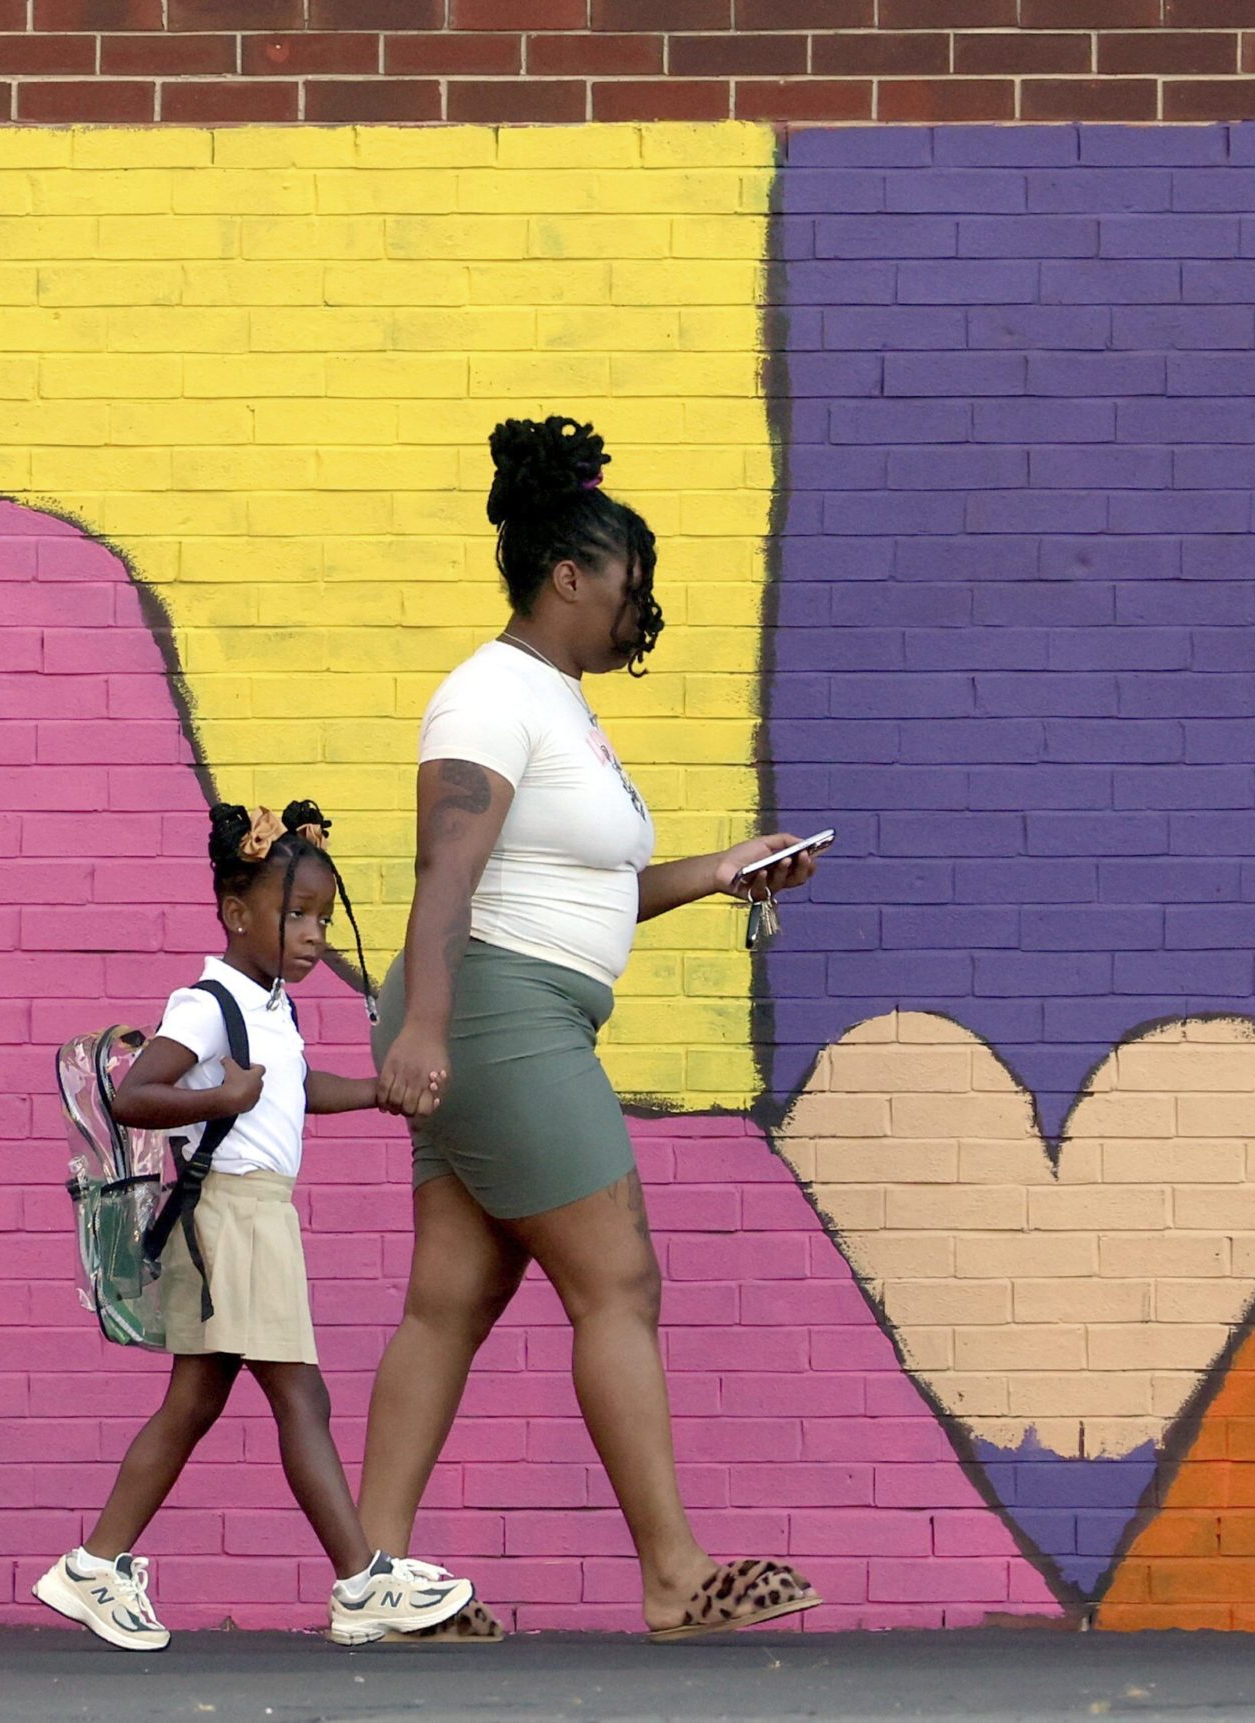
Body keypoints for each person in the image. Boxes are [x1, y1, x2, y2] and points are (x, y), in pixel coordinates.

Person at [363, 417, 826, 1642]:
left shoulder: (554, 706)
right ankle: (675, 1576)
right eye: (632, 584)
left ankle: (376, 1579)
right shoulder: (490, 696)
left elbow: (580, 889)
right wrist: (426, 1032)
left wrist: (726, 870)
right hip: (496, 1005)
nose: (642, 607)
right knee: (616, 1280)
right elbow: (445, 873)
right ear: (568, 575)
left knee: (448, 1300)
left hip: (501, 999)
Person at [35, 801, 480, 1651]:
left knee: (195, 1403)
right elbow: (134, 1095)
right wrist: (217, 1098)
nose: (314, 934)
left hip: (260, 1217)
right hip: (229, 1218)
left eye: (320, 916)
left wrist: (382, 1093)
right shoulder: (210, 1002)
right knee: (297, 1394)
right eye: (295, 915)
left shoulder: (271, 1003)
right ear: (238, 914)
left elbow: (296, 1091)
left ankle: (96, 1563)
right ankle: (360, 1581)